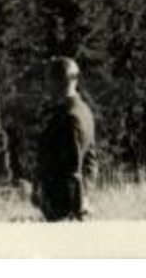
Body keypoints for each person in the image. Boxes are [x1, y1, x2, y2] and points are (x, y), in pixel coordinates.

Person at [33, 56, 96, 221]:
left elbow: (72, 170)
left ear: (56, 82)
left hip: (64, 209)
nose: (47, 86)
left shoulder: (69, 118)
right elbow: (91, 160)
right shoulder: (83, 110)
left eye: (49, 80)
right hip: (69, 206)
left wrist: (75, 209)